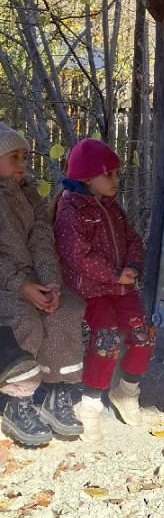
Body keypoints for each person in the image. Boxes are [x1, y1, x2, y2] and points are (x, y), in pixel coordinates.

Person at [54, 139, 154, 443]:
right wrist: (114, 275)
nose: (116, 180)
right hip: (91, 290)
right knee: (106, 338)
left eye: (116, 173)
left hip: (121, 287)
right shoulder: (71, 209)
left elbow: (132, 239)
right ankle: (90, 405)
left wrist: (133, 266)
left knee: (143, 333)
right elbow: (77, 256)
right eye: (108, 174)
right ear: (87, 178)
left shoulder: (112, 207)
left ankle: (127, 390)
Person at [0, 122, 84, 447]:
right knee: (24, 317)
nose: (22, 164)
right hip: (6, 285)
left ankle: (56, 393)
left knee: (65, 309)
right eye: (13, 157)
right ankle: (17, 401)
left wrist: (51, 283)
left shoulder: (29, 194)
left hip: (32, 279)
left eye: (24, 157)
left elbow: (42, 240)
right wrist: (22, 287)